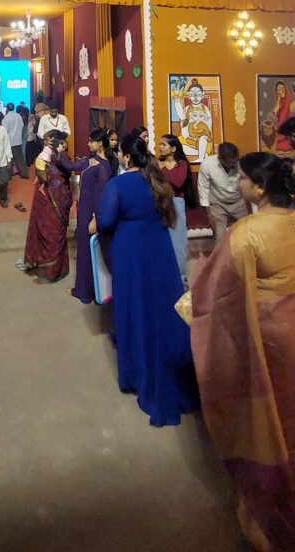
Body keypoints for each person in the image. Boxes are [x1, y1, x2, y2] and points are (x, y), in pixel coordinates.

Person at [191, 153, 295, 549]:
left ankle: (266, 515)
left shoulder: (247, 232)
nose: (238, 185)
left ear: (260, 188)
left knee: (268, 421)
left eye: (243, 179)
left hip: (269, 342)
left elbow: (217, 293)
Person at [97, 135, 198, 426]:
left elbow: (106, 222)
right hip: (159, 249)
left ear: (126, 157)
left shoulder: (118, 185)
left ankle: (137, 371)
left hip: (131, 251)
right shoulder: (156, 179)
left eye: (120, 152)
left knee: (135, 308)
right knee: (163, 308)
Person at [60, 128, 112, 304]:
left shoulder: (104, 166)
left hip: (92, 213)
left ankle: (90, 292)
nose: (88, 144)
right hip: (83, 210)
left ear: (100, 143)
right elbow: (70, 166)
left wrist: (96, 218)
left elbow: (102, 195)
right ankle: (82, 289)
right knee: (83, 249)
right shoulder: (89, 160)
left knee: (90, 252)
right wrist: (60, 151)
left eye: (91, 141)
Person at [20, 130, 73, 283]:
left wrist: (46, 164)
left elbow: (53, 176)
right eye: (46, 140)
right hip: (44, 200)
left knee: (52, 234)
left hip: (57, 202)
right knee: (41, 230)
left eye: (50, 141)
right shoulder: (45, 156)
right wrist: (41, 164)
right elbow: (42, 177)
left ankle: (52, 273)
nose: (47, 143)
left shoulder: (62, 158)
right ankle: (38, 265)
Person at [159, 133, 195, 281]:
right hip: (160, 203)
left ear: (173, 149)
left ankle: (180, 277)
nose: (160, 147)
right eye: (160, 144)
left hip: (176, 203)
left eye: (164, 144)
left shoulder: (181, 164)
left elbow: (178, 181)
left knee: (178, 243)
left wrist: (163, 169)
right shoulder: (158, 162)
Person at [198, 142, 249, 242]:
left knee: (244, 234)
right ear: (220, 159)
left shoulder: (242, 164)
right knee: (219, 238)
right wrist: (209, 214)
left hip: (238, 202)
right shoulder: (207, 164)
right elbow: (203, 188)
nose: (233, 165)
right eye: (230, 163)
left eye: (235, 161)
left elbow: (250, 185)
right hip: (217, 203)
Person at [2, 103, 29, 179]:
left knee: (9, 159)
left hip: (10, 141)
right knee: (20, 159)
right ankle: (24, 174)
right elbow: (22, 125)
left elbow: (4, 130)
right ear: (13, 108)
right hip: (18, 140)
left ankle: (9, 175)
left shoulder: (6, 118)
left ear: (7, 109)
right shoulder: (18, 116)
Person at [273, 80, 295, 153]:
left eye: (282, 88)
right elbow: (271, 116)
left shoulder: (291, 103)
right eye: (278, 89)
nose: (281, 90)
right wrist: (278, 101)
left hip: (288, 132)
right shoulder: (278, 105)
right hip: (281, 132)